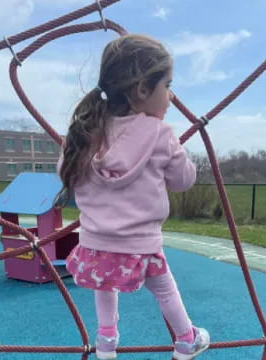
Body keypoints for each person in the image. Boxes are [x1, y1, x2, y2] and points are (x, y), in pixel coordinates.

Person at [57, 34, 209, 360]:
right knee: (164, 289)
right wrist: (178, 153)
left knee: (104, 285)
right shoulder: (161, 134)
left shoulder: (85, 131)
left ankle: (106, 341)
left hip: (95, 241)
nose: (170, 96)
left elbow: (65, 170)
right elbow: (183, 181)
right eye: (166, 85)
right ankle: (186, 338)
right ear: (142, 90)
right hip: (141, 244)